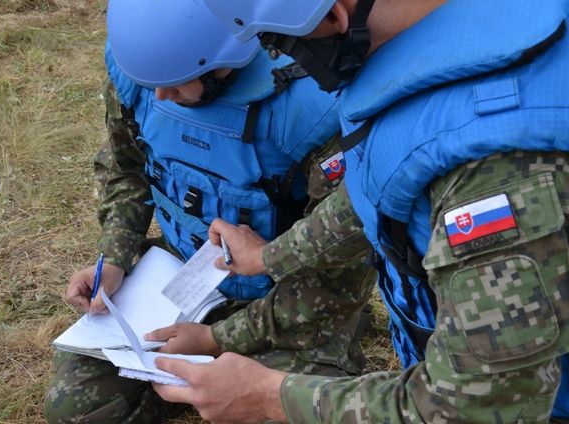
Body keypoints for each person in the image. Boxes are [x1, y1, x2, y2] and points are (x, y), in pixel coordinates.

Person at [151, 0, 569, 422]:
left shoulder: (495, 173)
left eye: (280, 44)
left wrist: (266, 395)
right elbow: (382, 179)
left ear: (335, 16)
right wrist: (268, 257)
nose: (281, 60)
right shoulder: (423, 45)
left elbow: (477, 405)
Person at [43, 0, 376, 422]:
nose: (160, 95)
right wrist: (115, 256)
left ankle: (335, 343)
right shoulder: (144, 72)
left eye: (174, 82)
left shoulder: (312, 111)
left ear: (222, 60)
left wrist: (215, 338)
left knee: (282, 408)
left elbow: (335, 273)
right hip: (180, 280)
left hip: (287, 297)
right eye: (152, 83)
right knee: (75, 410)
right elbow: (127, 168)